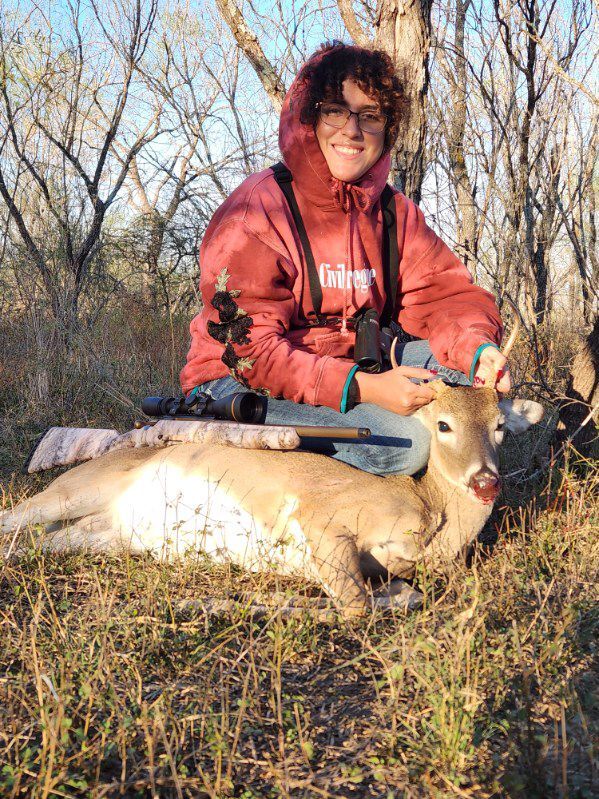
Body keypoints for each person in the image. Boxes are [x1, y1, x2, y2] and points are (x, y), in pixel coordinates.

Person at [180, 42, 510, 476]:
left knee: (467, 373)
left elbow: (447, 295)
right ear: (309, 118)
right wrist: (364, 389)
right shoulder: (257, 210)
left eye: (370, 116)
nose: (352, 131)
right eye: (335, 111)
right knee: (403, 445)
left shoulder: (395, 213)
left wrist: (479, 349)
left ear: (387, 129)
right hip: (237, 380)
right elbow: (250, 352)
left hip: (356, 365)